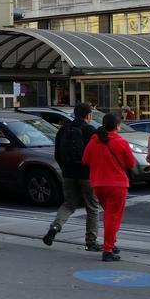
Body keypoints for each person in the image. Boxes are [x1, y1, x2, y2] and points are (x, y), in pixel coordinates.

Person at [42, 103, 101, 251]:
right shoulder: (90, 130)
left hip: (68, 173)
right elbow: (95, 154)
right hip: (86, 174)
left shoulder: (63, 129)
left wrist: (65, 168)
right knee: (92, 208)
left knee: (68, 204)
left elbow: (57, 153)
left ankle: (55, 227)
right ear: (88, 115)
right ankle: (91, 241)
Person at [82, 112, 135, 262]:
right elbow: (131, 163)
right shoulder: (121, 142)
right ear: (118, 126)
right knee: (113, 218)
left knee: (109, 216)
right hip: (117, 185)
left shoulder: (94, 141)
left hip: (98, 184)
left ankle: (110, 243)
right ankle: (108, 249)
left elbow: (85, 160)